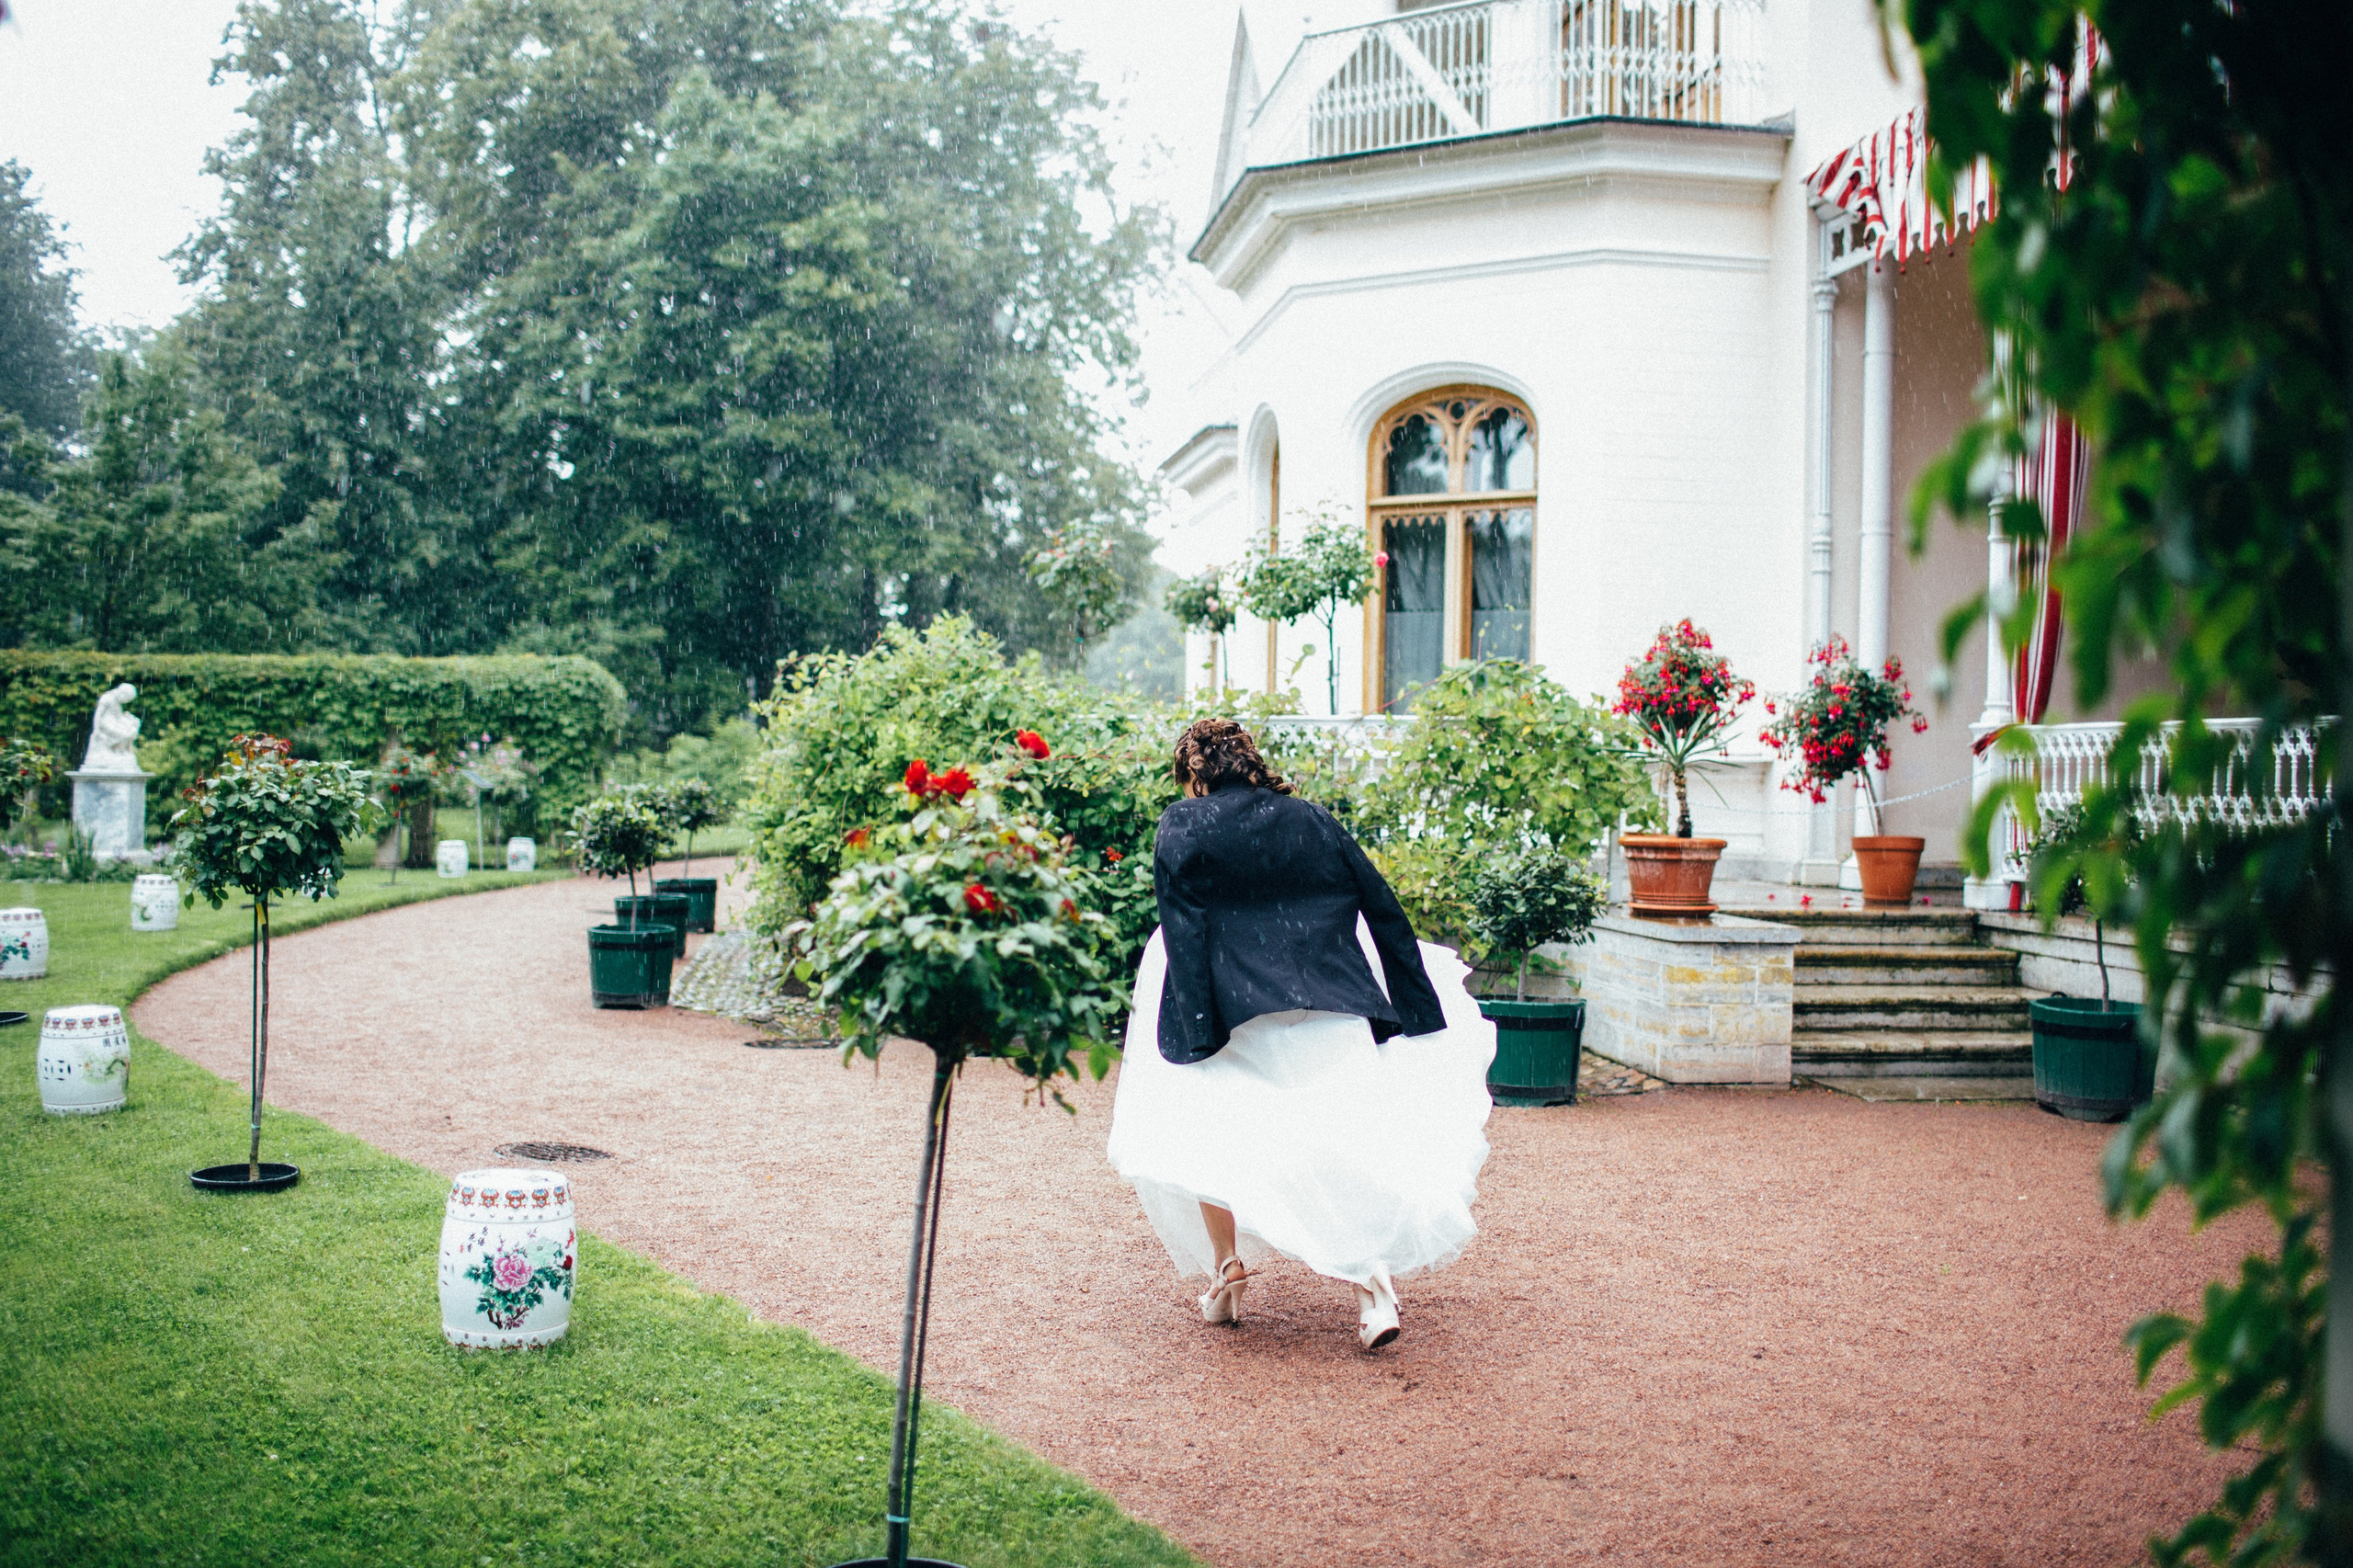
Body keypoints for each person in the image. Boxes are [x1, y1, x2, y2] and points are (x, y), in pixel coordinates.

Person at [1105, 717, 1496, 1350]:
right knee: (1343, 1136)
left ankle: (1228, 1269)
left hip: (1233, 1009)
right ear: (1251, 762)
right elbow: (1382, 903)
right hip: (1328, 998)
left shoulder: (1182, 823)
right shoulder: (1311, 818)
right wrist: (1413, 1005)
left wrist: (1197, 1028)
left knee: (1210, 1127)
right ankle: (1373, 1292)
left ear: (1194, 775)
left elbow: (1183, 927)